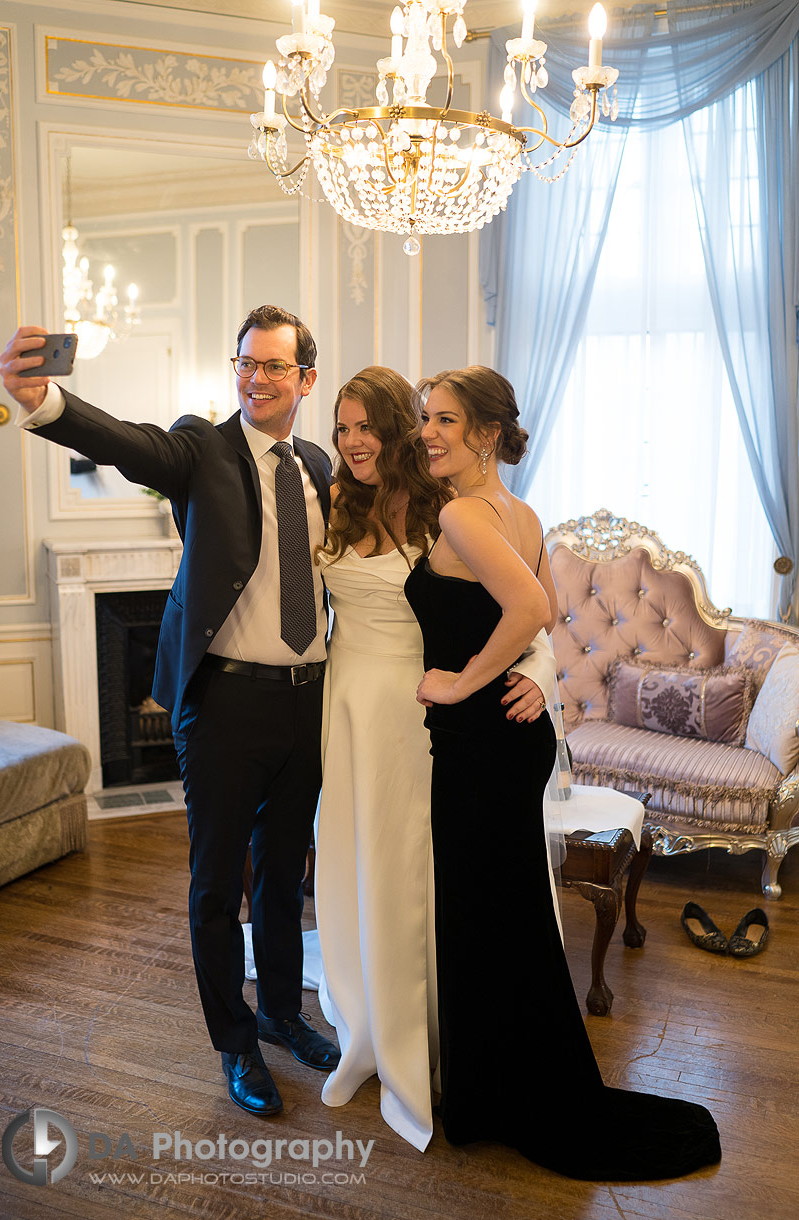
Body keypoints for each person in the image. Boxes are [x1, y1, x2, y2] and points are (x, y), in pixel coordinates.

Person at [0, 307, 341, 1119]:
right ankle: (236, 1045)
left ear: (306, 380)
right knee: (218, 884)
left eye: (273, 367)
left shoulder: (320, 465)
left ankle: (283, 1011)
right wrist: (45, 401)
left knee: (287, 877)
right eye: (244, 364)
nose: (254, 379)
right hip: (223, 703)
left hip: (305, 706)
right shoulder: (202, 449)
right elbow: (126, 440)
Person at [403, 365, 722, 1180]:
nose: (426, 434)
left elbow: (535, 614)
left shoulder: (465, 513)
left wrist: (462, 680)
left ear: (483, 432)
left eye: (442, 420)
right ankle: (510, 1085)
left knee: (482, 914)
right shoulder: (521, 511)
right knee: (506, 915)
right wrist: (528, 682)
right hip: (509, 740)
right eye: (424, 419)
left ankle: (493, 1096)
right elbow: (539, 629)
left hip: (476, 739)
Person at [311, 366, 556, 1151]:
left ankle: (445, 1042)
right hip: (351, 706)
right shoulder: (331, 503)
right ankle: (381, 1025)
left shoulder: (449, 512)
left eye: (369, 427)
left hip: (428, 717)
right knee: (365, 868)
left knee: (430, 879)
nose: (354, 442)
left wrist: (534, 675)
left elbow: (529, 614)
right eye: (341, 428)